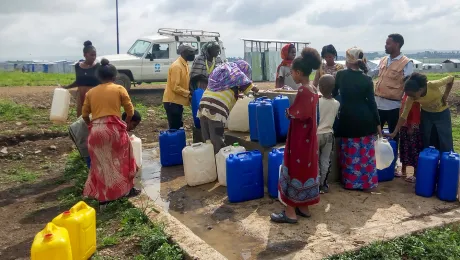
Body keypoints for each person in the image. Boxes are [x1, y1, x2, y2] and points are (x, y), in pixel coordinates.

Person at [270, 47, 322, 224]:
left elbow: (298, 113)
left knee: (294, 169)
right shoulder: (313, 88)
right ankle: (303, 207)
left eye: (292, 72)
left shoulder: (303, 91)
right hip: (309, 138)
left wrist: (288, 112)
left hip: (299, 138)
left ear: (299, 72)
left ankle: (290, 212)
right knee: (306, 169)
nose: (291, 74)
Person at [81, 58, 139, 203]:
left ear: (99, 77)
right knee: (125, 158)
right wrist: (124, 124)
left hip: (96, 131)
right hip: (113, 129)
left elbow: (84, 115)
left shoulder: (91, 92)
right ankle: (129, 190)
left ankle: (104, 199)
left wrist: (92, 126)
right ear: (114, 77)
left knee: (101, 164)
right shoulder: (119, 89)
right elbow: (130, 111)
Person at [333, 47, 383, 191]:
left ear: (349, 59)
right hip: (365, 119)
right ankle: (367, 182)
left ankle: (351, 182)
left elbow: (334, 93)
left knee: (350, 151)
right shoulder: (367, 79)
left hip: (347, 117)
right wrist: (378, 125)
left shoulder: (341, 75)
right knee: (365, 152)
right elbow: (372, 104)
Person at [369, 34, 413, 176]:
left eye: (388, 43)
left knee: (394, 136)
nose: (385, 46)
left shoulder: (406, 63)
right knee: (375, 134)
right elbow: (373, 74)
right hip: (378, 104)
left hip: (394, 106)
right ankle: (374, 163)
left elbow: (408, 84)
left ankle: (392, 167)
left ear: (397, 44)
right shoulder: (383, 60)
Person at [198, 60, 258, 154]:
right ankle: (219, 162)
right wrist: (255, 89)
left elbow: (224, 92)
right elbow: (249, 86)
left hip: (203, 106)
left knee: (207, 141)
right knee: (217, 140)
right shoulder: (238, 75)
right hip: (216, 110)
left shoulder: (224, 77)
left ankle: (208, 162)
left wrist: (236, 95)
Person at [388, 73, 455, 153]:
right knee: (427, 139)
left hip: (442, 114)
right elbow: (403, 116)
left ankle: (446, 161)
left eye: (412, 95)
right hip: (426, 115)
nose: (411, 97)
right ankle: (430, 161)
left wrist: (445, 95)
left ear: (420, 89)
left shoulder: (432, 85)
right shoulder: (410, 98)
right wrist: (394, 132)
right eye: (409, 95)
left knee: (445, 140)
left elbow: (451, 78)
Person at [68, 110, 142, 169]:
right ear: (127, 120)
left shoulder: (117, 122)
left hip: (87, 127)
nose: (133, 128)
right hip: (80, 130)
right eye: (133, 125)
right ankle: (95, 181)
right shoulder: (115, 124)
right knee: (91, 158)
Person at [163, 44, 197, 129]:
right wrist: (189, 93)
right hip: (172, 102)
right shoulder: (177, 66)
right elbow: (175, 87)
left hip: (177, 102)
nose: (193, 55)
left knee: (178, 126)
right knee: (175, 129)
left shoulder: (185, 65)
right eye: (191, 52)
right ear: (184, 53)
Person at [63, 41, 101, 117]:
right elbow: (78, 81)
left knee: (93, 115)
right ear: (85, 55)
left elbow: (101, 82)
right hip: (81, 94)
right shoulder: (78, 66)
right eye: (91, 55)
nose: (94, 57)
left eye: (95, 55)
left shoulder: (97, 66)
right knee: (81, 115)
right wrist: (67, 87)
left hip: (93, 95)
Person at [317, 74, 340, 194]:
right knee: (325, 160)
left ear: (320, 87)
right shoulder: (336, 103)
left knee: (314, 160)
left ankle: (314, 183)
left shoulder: (316, 101)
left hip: (316, 134)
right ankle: (323, 185)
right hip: (329, 134)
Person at [397, 93, 422, 183]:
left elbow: (415, 112)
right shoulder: (405, 95)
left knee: (413, 149)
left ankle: (415, 174)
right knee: (404, 148)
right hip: (404, 125)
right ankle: (403, 171)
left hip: (411, 126)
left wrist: (411, 126)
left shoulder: (414, 97)